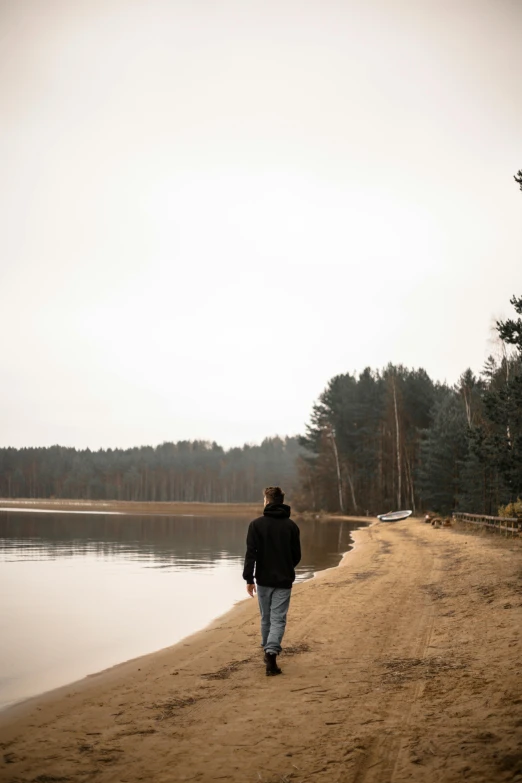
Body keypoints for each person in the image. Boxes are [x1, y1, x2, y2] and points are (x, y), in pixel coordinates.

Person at [243, 486, 301, 676]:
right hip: (283, 579)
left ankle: (268, 650)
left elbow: (251, 554)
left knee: (266, 618)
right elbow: (296, 556)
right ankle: (271, 653)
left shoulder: (256, 525)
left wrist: (249, 579)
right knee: (278, 619)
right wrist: (285, 566)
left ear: (267, 501)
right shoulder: (291, 526)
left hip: (263, 579)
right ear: (281, 502)